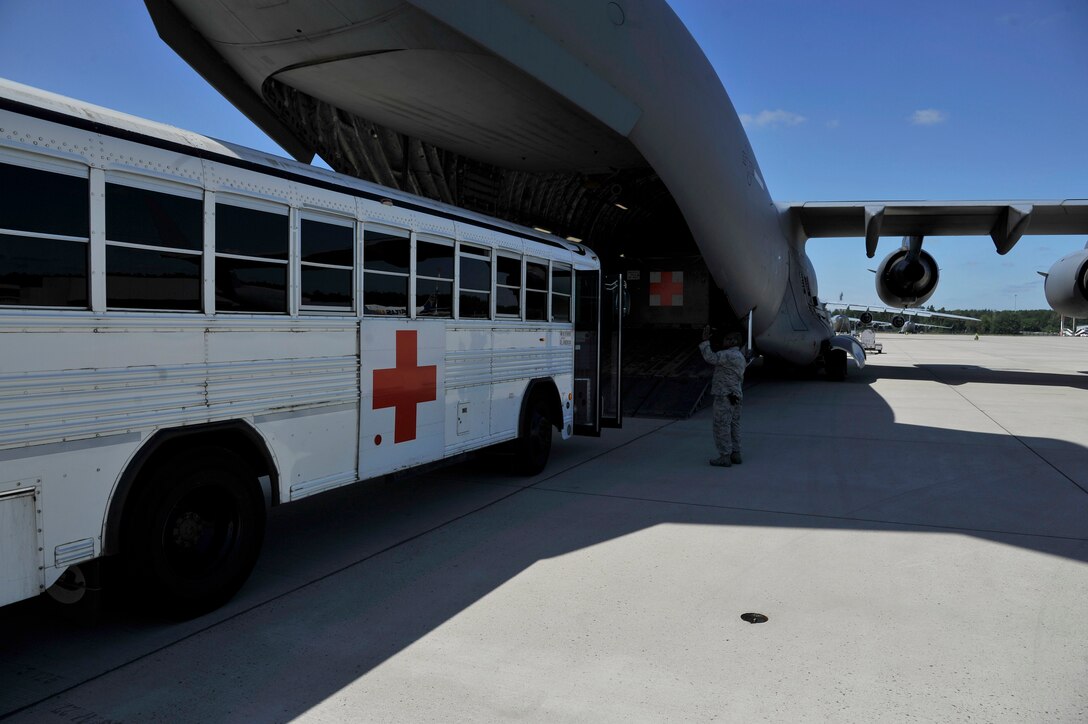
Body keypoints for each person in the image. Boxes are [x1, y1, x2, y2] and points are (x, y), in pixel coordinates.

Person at [699, 326, 746, 467]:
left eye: (727, 339)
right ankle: (736, 453)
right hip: (736, 395)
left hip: (724, 395)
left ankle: (724, 456)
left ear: (732, 341)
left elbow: (710, 357)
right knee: (734, 424)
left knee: (721, 425)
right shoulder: (740, 357)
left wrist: (705, 341)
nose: (724, 341)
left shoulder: (728, 355)